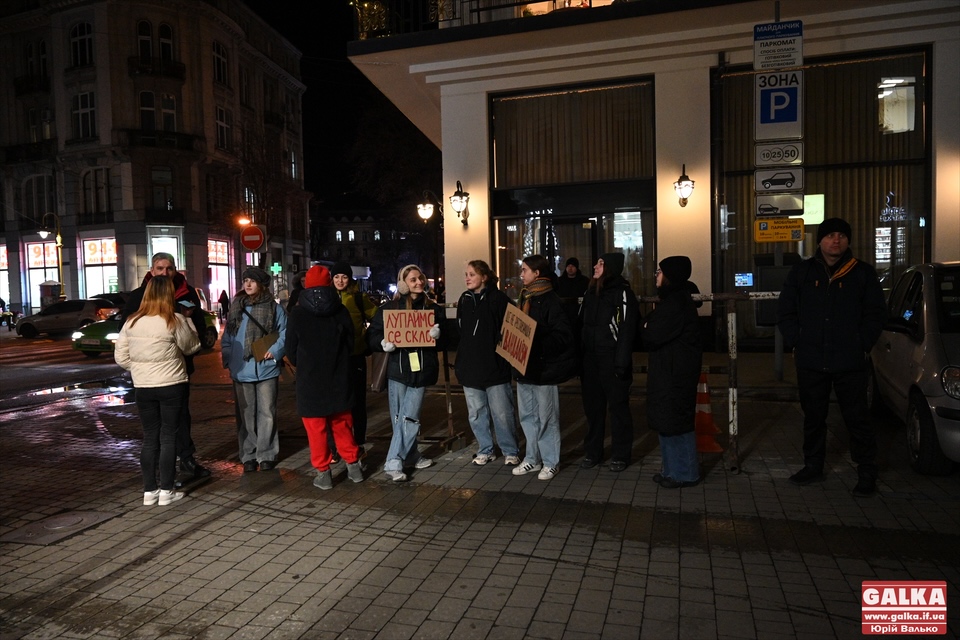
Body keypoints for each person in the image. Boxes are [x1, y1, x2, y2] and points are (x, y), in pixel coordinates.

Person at [777, 217, 887, 496]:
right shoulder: (802, 272)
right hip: (811, 360)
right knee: (814, 416)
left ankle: (866, 469)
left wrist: (862, 344)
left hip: (849, 361)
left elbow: (875, 314)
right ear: (820, 241)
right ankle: (813, 465)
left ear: (848, 241)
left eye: (841, 235)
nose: (835, 240)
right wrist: (796, 340)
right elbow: (786, 309)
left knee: (857, 416)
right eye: (829, 236)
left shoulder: (862, 273)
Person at [122, 252, 210, 481]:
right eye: (160, 268)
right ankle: (163, 476)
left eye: (169, 268)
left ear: (175, 270)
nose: (164, 273)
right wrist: (142, 363)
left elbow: (197, 335)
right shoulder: (138, 297)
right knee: (157, 430)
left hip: (177, 373)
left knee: (180, 420)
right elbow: (126, 338)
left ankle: (183, 464)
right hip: (150, 378)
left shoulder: (186, 293)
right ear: (151, 270)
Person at [115, 276, 200, 506]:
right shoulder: (175, 320)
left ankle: (149, 491)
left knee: (150, 437)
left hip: (143, 387)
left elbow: (121, 357)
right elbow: (192, 347)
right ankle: (167, 490)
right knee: (168, 436)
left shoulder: (132, 321)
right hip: (171, 384)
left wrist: (142, 369)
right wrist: (189, 321)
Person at [285, 265, 365, 489]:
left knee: (316, 428)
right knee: (342, 424)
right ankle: (354, 466)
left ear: (306, 284)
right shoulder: (340, 310)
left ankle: (323, 473)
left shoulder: (298, 313)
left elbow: (291, 349)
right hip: (339, 377)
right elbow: (350, 344)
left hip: (310, 381)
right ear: (329, 283)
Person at [366, 265, 442, 482]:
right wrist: (382, 343)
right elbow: (372, 335)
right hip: (398, 370)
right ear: (403, 284)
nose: (418, 282)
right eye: (412, 280)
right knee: (400, 418)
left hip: (421, 370)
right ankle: (412, 455)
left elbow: (448, 338)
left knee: (409, 417)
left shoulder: (433, 308)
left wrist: (439, 335)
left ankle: (393, 462)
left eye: (420, 278)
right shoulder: (390, 309)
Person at [511, 255, 577, 481]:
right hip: (524, 368)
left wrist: (537, 340)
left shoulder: (551, 301)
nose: (521, 274)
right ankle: (532, 458)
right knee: (528, 416)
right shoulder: (523, 297)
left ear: (537, 273)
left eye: (525, 270)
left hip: (543, 368)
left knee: (547, 417)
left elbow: (563, 336)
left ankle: (551, 462)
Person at [221, 266, 287, 473]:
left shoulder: (274, 308)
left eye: (252, 281)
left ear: (261, 284)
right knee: (246, 413)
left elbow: (285, 331)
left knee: (267, 412)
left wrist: (275, 350)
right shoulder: (236, 307)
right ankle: (248, 454)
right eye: (245, 280)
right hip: (241, 369)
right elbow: (228, 337)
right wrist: (229, 358)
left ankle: (266, 454)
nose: (247, 284)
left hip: (266, 367)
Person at [644, 256, 702, 489]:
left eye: (660, 271)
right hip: (669, 370)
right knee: (667, 421)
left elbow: (652, 334)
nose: (656, 275)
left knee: (677, 422)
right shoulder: (673, 300)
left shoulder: (676, 303)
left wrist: (648, 326)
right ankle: (671, 470)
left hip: (675, 372)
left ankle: (686, 473)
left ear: (670, 275)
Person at [456, 260, 520, 466]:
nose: (467, 278)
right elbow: (461, 332)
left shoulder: (499, 299)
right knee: (476, 413)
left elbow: (511, 332)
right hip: (470, 368)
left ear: (484, 277)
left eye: (472, 274)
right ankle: (485, 448)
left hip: (495, 367)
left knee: (502, 413)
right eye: (466, 274)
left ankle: (510, 450)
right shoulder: (464, 300)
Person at [580, 253, 640, 472]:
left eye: (601, 263)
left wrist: (621, 363)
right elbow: (583, 326)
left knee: (618, 409)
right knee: (593, 409)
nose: (595, 266)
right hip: (591, 360)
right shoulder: (591, 292)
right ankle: (593, 453)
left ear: (610, 268)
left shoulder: (623, 293)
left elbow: (627, 330)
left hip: (612, 360)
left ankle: (620, 455)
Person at [330, 261, 378, 450]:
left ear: (349, 279)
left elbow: (377, 318)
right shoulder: (327, 298)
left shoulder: (359, 298)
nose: (340, 281)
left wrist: (366, 340)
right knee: (338, 402)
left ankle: (359, 440)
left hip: (355, 356)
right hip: (334, 359)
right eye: (336, 277)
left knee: (358, 401)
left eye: (344, 277)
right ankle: (339, 442)